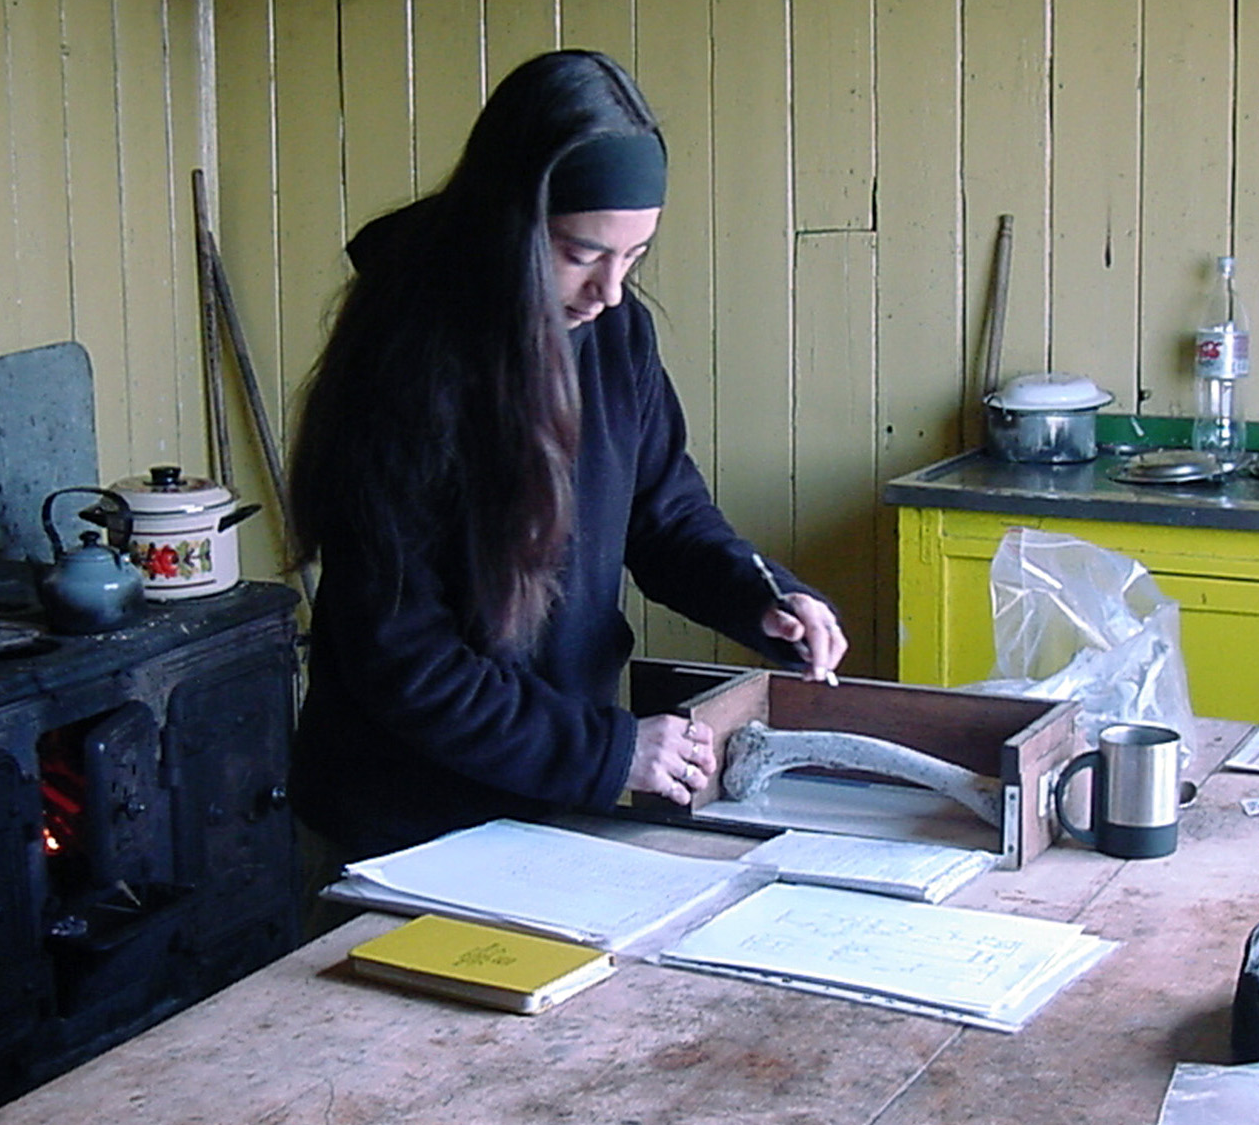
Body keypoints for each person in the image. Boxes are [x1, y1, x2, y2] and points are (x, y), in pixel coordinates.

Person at [286, 48, 847, 871]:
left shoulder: (614, 332)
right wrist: (606, 753)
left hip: (546, 801)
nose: (611, 291)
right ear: (508, 223)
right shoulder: (405, 359)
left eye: (635, 257)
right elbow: (405, 660)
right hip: (399, 822)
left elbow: (662, 512)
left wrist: (760, 595)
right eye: (583, 254)